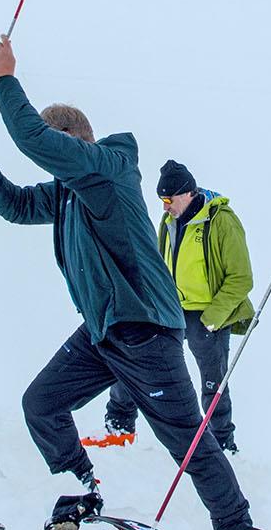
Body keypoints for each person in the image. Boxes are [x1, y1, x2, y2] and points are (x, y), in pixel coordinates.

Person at [0, 37, 266, 530]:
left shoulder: (110, 167)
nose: (51, 167)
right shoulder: (68, 193)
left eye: (59, 153)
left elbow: (36, 138)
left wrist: (5, 78)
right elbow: (16, 206)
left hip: (146, 331)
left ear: (75, 144)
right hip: (103, 332)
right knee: (41, 405)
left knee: (186, 440)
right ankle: (80, 495)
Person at [92, 160, 254, 453]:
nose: (165, 207)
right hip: (169, 309)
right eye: (161, 201)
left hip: (208, 314)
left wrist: (212, 318)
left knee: (212, 382)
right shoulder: (168, 223)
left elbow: (241, 278)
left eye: (168, 200)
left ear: (187, 192)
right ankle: (119, 427)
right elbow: (156, 265)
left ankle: (222, 445)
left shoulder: (220, 221)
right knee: (135, 357)